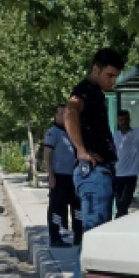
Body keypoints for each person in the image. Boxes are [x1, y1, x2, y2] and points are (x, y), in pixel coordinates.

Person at [64, 47, 124, 278]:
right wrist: (81, 150)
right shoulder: (84, 91)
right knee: (93, 233)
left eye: (116, 76)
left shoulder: (95, 93)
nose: (113, 81)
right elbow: (70, 111)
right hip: (94, 174)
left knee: (94, 232)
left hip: (99, 173)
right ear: (96, 69)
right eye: (109, 75)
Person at [42, 105, 82, 247]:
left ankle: (78, 234)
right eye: (61, 113)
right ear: (56, 116)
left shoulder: (71, 131)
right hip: (59, 177)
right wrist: (51, 175)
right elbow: (47, 155)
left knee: (77, 207)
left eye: (66, 113)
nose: (64, 116)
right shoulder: (53, 133)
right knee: (57, 208)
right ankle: (55, 237)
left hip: (73, 176)